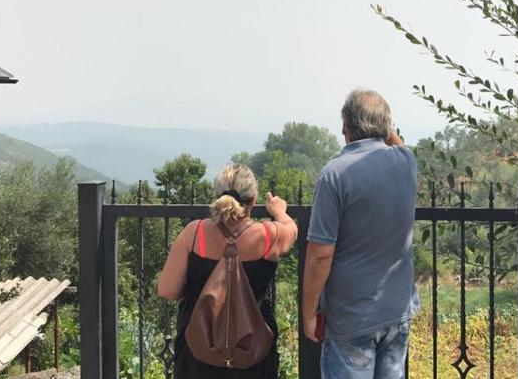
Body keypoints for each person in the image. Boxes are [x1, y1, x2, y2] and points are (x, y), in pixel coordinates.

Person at [302, 89, 420, 379]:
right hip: (397, 311)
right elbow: (396, 142)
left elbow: (320, 254)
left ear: (344, 127)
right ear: (385, 126)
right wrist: (386, 129)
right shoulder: (406, 162)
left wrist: (307, 313)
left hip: (351, 317)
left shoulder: (335, 175)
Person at [158, 163, 298, 379]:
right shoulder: (269, 236)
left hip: (198, 345)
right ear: (253, 200)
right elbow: (291, 230)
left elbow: (167, 290)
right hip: (252, 347)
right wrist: (279, 212)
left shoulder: (194, 233)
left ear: (217, 197)